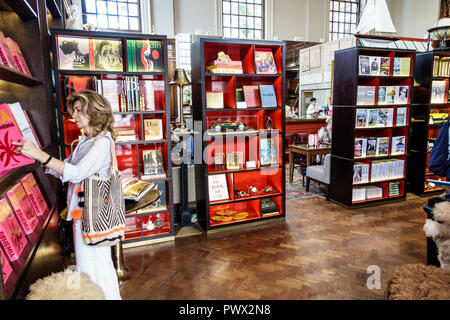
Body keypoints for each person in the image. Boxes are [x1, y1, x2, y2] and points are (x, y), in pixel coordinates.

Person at [12, 90, 122, 300]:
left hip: (92, 217)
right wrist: (36, 155)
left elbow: (77, 172)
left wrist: (40, 156)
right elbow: (67, 169)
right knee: (91, 269)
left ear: (95, 111)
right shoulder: (86, 140)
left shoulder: (102, 142)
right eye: (74, 110)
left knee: (96, 271)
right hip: (83, 215)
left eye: (80, 111)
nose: (75, 116)